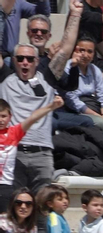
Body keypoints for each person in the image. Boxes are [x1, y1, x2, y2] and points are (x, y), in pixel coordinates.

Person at [0, 41, 56, 195]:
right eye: (20, 58)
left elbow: (66, 50)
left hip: (42, 153)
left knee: (43, 207)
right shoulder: (5, 79)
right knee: (14, 205)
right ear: (13, 60)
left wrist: (76, 15)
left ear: (37, 61)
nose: (25, 62)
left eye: (30, 59)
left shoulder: (48, 79)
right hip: (14, 152)